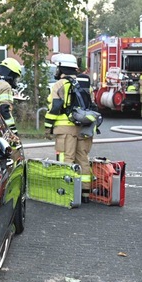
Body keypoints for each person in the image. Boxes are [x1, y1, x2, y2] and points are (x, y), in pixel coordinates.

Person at [44, 53, 100, 203]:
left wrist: (48, 126)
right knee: (83, 158)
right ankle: (85, 193)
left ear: (62, 68)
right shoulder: (85, 85)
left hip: (65, 128)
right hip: (84, 127)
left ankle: (67, 192)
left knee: (66, 158)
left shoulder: (59, 85)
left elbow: (55, 107)